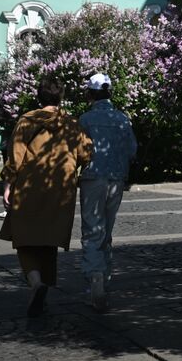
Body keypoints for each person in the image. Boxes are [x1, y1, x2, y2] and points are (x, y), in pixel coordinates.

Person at [0, 81, 92, 318]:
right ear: (60, 97)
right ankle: (44, 291)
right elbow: (86, 153)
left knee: (24, 238)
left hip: (30, 185)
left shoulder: (27, 121)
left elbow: (15, 155)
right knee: (49, 239)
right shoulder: (71, 123)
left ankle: (35, 282)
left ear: (38, 97)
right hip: (61, 189)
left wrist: (8, 184)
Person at [78, 72, 137, 312]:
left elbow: (78, 150)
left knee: (93, 228)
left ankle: (95, 277)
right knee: (107, 230)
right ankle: (105, 275)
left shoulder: (85, 119)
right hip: (116, 178)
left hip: (93, 178)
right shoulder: (122, 119)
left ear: (90, 94)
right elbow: (132, 149)